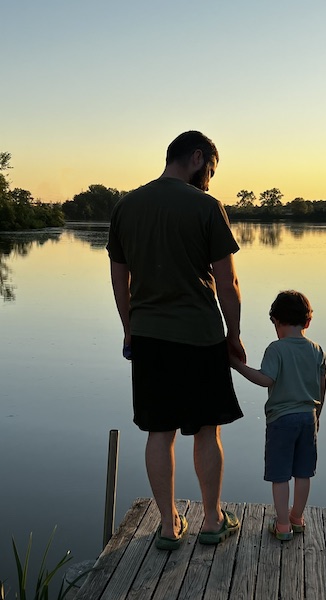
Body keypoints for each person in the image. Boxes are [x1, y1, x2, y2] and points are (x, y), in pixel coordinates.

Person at [107, 131, 246, 550]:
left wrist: (129, 327)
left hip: (149, 337)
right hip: (200, 336)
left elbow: (119, 277)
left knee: (159, 430)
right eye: (211, 171)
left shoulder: (127, 206)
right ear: (197, 158)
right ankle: (211, 521)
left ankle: (168, 527)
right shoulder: (206, 207)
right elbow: (229, 281)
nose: (210, 180)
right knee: (206, 430)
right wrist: (233, 335)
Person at [230, 290, 326, 540]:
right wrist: (317, 413)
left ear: (276, 321)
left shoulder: (276, 349)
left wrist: (238, 366)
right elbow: (322, 383)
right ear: (307, 322)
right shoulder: (317, 350)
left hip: (282, 420)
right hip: (308, 417)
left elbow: (266, 380)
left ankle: (283, 525)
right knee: (304, 472)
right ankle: (298, 518)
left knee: (281, 474)